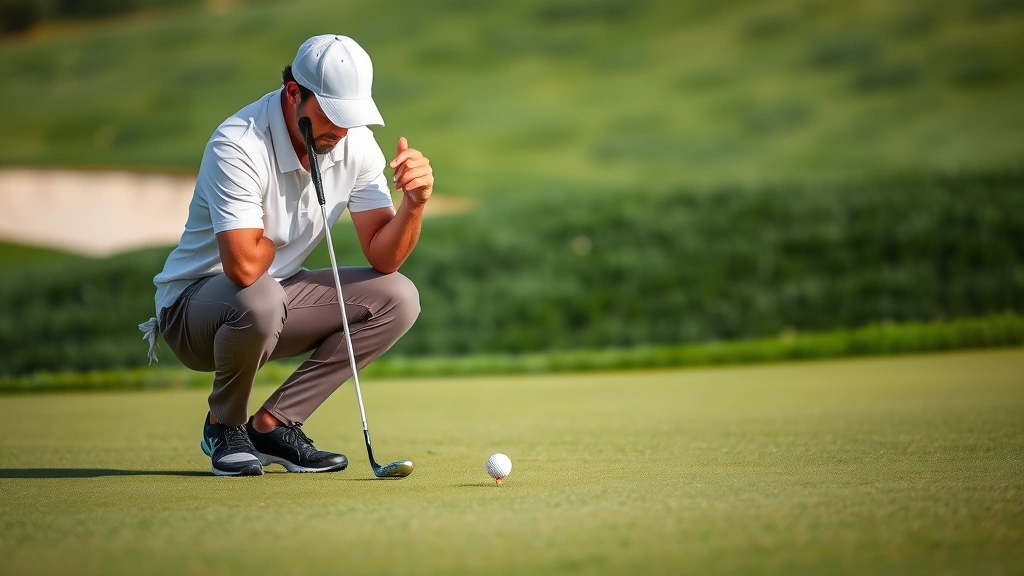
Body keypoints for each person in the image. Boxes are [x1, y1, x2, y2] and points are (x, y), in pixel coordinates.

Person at [138, 34, 433, 477]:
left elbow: (384, 256)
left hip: (271, 297)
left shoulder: (354, 145)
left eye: (351, 117)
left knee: (398, 297)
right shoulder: (237, 144)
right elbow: (242, 267)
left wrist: (414, 204)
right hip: (193, 311)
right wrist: (284, 225)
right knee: (259, 297)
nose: (342, 131)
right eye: (332, 115)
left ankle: (272, 426)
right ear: (294, 93)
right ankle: (224, 425)